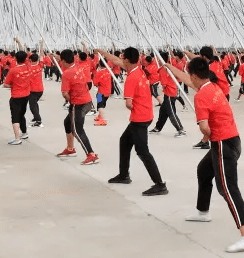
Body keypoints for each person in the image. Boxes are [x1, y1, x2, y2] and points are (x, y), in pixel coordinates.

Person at [168, 56, 244, 252]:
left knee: (227, 188)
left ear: (193, 75)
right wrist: (169, 68)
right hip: (233, 140)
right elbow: (187, 79)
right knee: (204, 170)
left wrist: (206, 138)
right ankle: (203, 211)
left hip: (223, 144)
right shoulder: (213, 86)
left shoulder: (201, 96)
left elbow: (204, 127)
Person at [97, 48, 168, 195]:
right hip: (145, 114)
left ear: (127, 61)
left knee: (143, 151)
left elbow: (128, 103)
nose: (121, 60)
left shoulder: (128, 77)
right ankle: (124, 175)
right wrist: (102, 52)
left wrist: (136, 108)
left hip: (136, 116)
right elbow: (117, 61)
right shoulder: (139, 70)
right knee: (124, 141)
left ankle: (160, 184)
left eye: (123, 58)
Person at [55, 49, 98, 165]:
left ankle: (91, 154)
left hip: (79, 103)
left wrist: (71, 101)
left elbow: (65, 93)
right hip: (88, 101)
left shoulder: (67, 74)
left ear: (63, 60)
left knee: (78, 130)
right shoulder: (79, 66)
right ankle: (70, 149)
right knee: (67, 123)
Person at [150, 52, 187, 137]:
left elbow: (164, 84)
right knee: (163, 111)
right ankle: (158, 127)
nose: (157, 60)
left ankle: (181, 129)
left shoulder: (163, 69)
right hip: (170, 92)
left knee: (171, 112)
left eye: (158, 59)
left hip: (169, 93)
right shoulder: (168, 66)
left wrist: (163, 87)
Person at [1, 51, 33, 146]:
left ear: (15, 59)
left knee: (15, 117)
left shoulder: (13, 70)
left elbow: (6, 84)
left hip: (16, 96)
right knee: (22, 114)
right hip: (26, 95)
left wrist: (14, 85)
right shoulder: (28, 67)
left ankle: (17, 138)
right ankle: (24, 132)